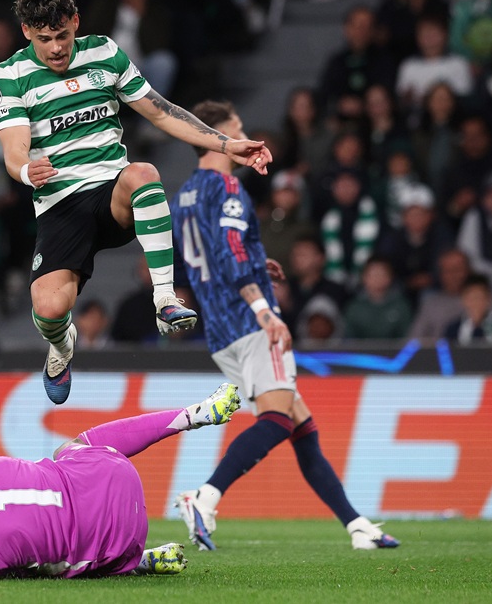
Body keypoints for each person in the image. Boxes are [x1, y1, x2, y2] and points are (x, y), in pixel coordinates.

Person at [0, 0, 269, 404]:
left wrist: (226, 143)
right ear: (27, 31)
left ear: (76, 22)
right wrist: (28, 171)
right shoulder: (11, 75)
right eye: (45, 38)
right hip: (61, 206)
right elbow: (14, 150)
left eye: (64, 35)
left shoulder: (105, 53)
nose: (57, 48)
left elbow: (162, 113)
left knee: (143, 172)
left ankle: (165, 298)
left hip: (111, 192)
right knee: (48, 309)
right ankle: (62, 347)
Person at [170, 100, 399, 552]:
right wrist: (264, 309)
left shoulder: (184, 197)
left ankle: (357, 526)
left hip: (219, 329)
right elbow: (232, 251)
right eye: (237, 131)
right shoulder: (229, 187)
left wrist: (258, 260)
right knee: (276, 419)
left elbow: (213, 255)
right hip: (249, 320)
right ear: (216, 136)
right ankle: (205, 496)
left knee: (300, 424)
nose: (244, 139)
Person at [0, 383, 242, 579]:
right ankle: (196, 413)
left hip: (121, 542)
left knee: (48, 563)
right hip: (114, 473)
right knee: (72, 448)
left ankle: (139, 562)